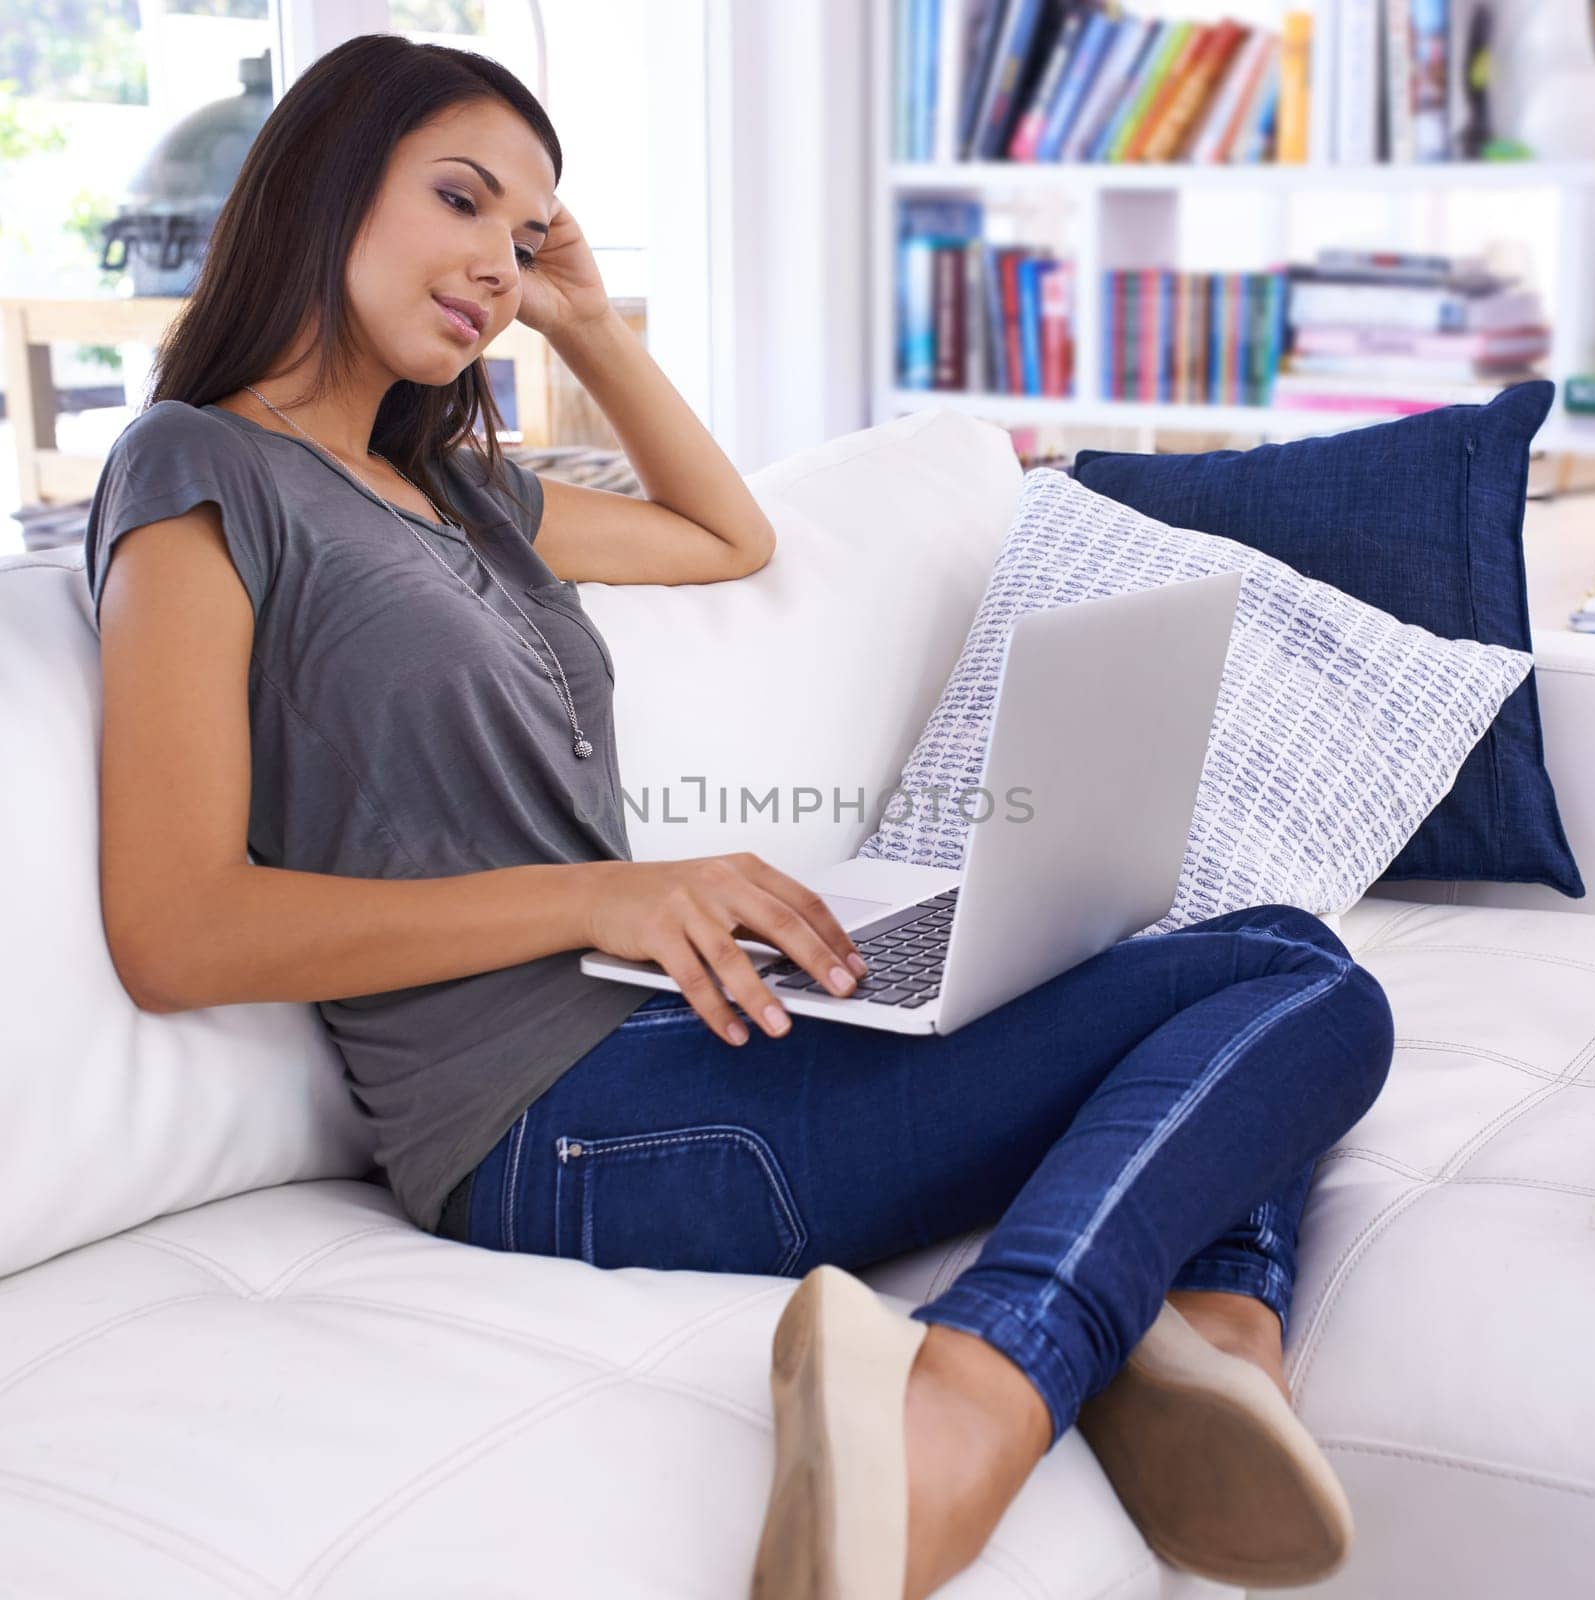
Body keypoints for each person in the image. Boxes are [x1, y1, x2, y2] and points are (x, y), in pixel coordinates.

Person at [86, 35, 1396, 1600]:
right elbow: (177, 927)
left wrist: (582, 313)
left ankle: (1210, 1334)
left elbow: (728, 534)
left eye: (524, 237)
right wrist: (603, 897)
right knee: (1308, 987)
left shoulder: (458, 494)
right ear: (322, 177)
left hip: (670, 1033)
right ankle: (980, 1394)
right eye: (461, 201)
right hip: (544, 1128)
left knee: (1247, 952)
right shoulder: (200, 469)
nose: (497, 265)